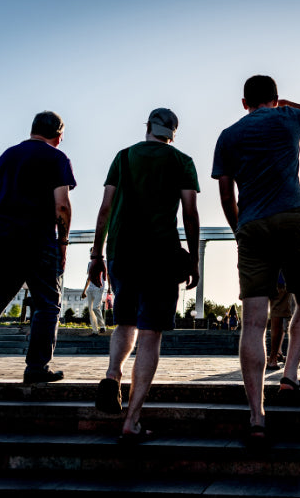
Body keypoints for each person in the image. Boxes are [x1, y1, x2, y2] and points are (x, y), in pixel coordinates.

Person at [212, 74, 300, 444]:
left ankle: (256, 416)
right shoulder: (289, 117)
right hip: (292, 215)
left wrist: (239, 229)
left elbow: (226, 195)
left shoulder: (228, 135)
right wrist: (288, 105)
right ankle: (291, 374)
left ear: (244, 102)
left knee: (252, 322)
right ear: (275, 98)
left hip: (251, 225)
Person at [91, 107, 200, 442]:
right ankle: (132, 420)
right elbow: (190, 211)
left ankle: (113, 374)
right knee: (151, 334)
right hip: (161, 253)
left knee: (125, 323)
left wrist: (97, 254)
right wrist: (193, 258)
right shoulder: (182, 161)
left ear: (147, 127)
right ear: (173, 132)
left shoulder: (123, 157)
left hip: (122, 251)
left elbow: (106, 207)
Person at [0, 111, 75, 401]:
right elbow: (62, 207)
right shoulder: (57, 158)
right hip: (37, 241)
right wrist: (63, 244)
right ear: (58, 133)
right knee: (47, 305)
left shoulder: (6, 157)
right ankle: (36, 367)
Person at [266, 272, 293, 370]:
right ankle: (273, 358)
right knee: (278, 317)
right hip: (280, 278)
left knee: (256, 315)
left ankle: (267, 357)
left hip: (258, 275)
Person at [81, 247, 107, 335]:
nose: (92, 254)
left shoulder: (104, 262)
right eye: (91, 253)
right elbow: (88, 278)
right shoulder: (90, 264)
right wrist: (84, 291)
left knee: (96, 307)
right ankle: (95, 330)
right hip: (90, 289)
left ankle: (102, 326)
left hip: (99, 288)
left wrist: (110, 288)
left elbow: (107, 276)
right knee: (90, 310)